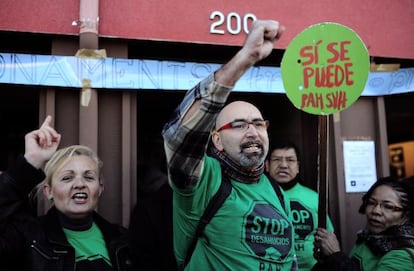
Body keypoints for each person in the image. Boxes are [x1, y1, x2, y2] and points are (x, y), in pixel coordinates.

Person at [162, 20, 297, 270]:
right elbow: (179, 137)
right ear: (217, 140)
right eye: (238, 125)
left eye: (258, 124)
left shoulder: (277, 191)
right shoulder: (203, 180)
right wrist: (245, 59)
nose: (252, 132)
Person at [0, 116, 133, 271]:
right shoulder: (28, 237)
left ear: (100, 187)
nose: (80, 184)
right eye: (67, 178)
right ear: (48, 191)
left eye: (89, 177)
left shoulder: (123, 240)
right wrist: (31, 161)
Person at [312, 176, 414, 271]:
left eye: (387, 206)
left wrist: (335, 255)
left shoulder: (402, 255)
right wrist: (326, 259)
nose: (376, 211)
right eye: (371, 203)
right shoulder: (369, 239)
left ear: (405, 215)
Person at [265, 140, 335, 271]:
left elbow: (329, 239)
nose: (283, 165)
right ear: (267, 165)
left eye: (290, 160)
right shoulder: (257, 197)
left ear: (297, 167)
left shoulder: (314, 198)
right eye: (277, 160)